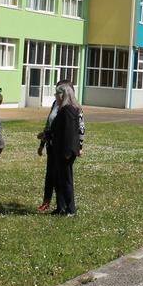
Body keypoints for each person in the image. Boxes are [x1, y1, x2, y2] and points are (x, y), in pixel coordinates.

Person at [46, 81, 84, 216]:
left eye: (57, 93)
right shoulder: (63, 109)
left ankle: (71, 209)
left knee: (66, 180)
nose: (56, 95)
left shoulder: (68, 110)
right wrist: (46, 135)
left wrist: (68, 152)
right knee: (59, 179)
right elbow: (57, 129)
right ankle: (61, 207)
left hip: (65, 151)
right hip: (59, 150)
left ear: (64, 95)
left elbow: (70, 133)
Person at [37, 78, 73, 212]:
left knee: (61, 177)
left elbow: (78, 130)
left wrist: (78, 147)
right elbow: (49, 124)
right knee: (50, 175)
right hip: (51, 146)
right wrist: (42, 144)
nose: (57, 94)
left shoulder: (71, 107)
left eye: (59, 91)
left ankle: (62, 206)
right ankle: (47, 202)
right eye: (56, 91)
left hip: (62, 148)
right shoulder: (54, 104)